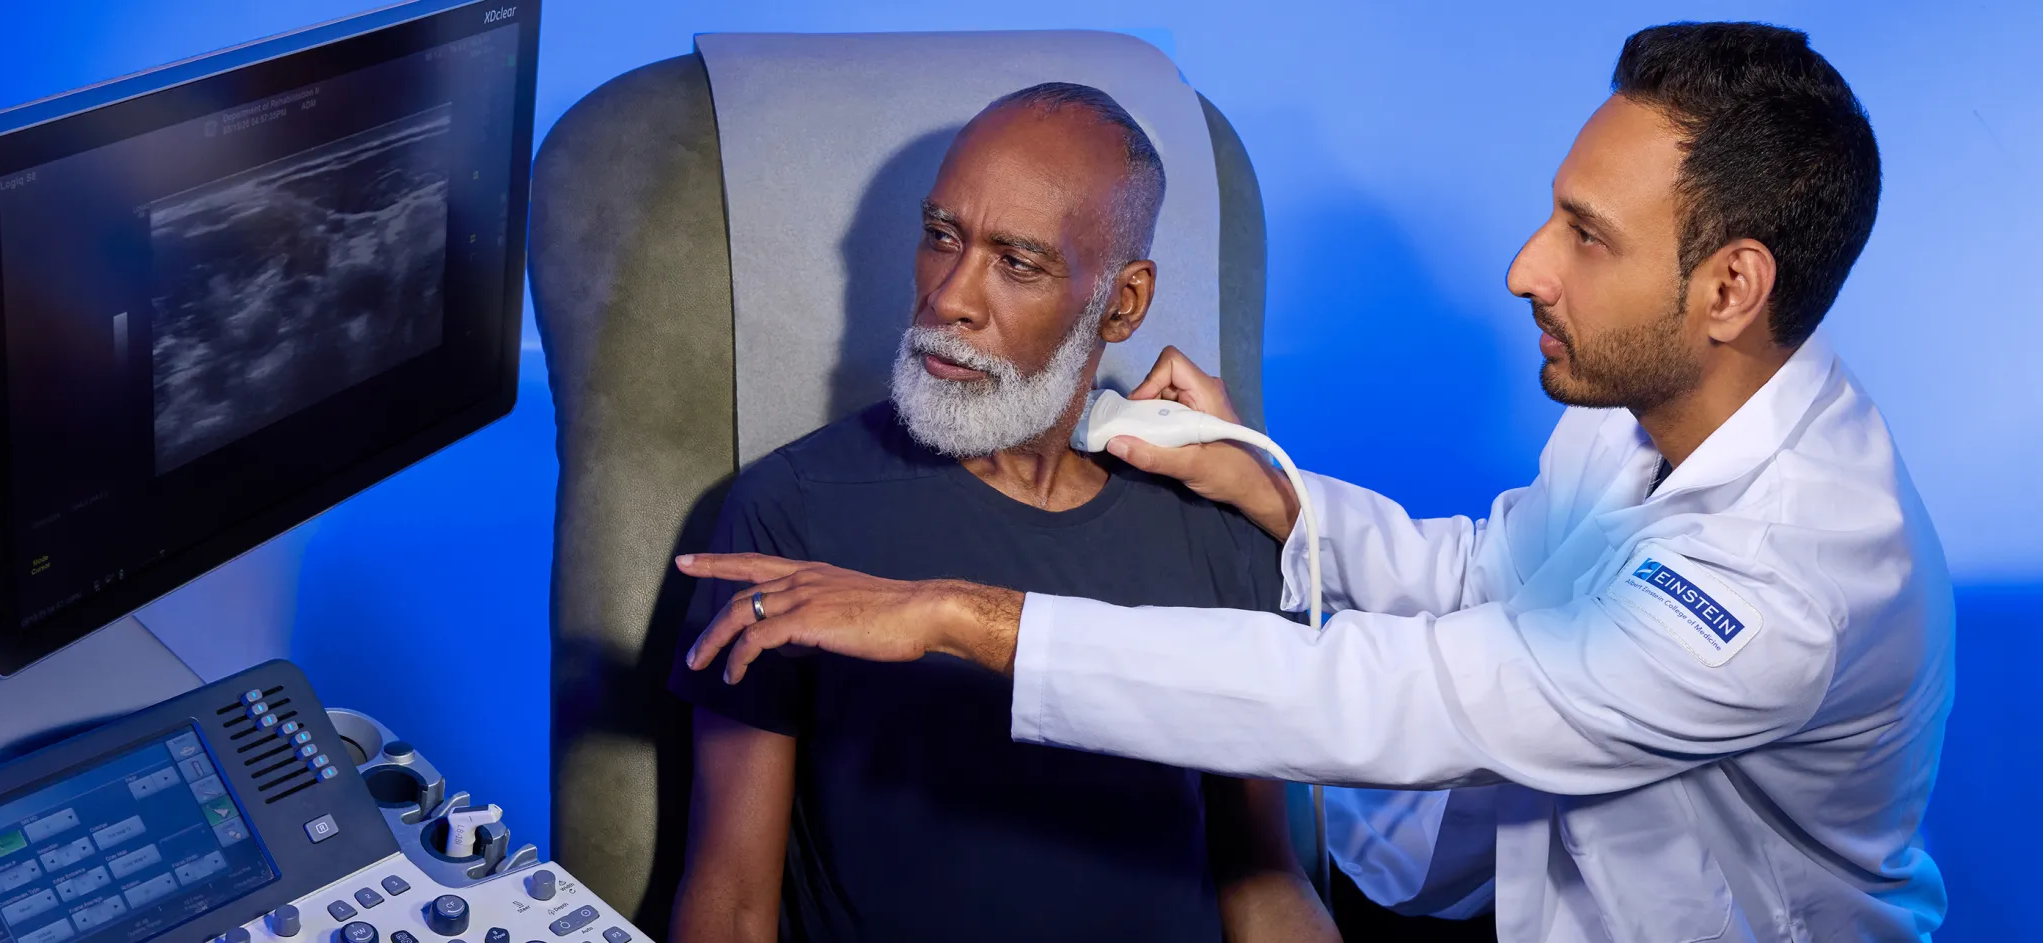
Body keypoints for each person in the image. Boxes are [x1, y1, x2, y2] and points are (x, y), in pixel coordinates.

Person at [676, 23, 1953, 943]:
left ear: (1729, 287)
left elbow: (1391, 702)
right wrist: (1278, 494)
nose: (1523, 267)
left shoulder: (1791, 588)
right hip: (1487, 886)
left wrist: (967, 616)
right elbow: (1489, 578)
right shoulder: (1643, 417)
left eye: (1585, 235)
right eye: (942, 236)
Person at [666, 83, 1336, 943]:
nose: (950, 298)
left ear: (1122, 304)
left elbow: (1264, 884)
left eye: (1017, 263)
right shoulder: (789, 516)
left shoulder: (1214, 520)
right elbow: (730, 905)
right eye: (941, 236)